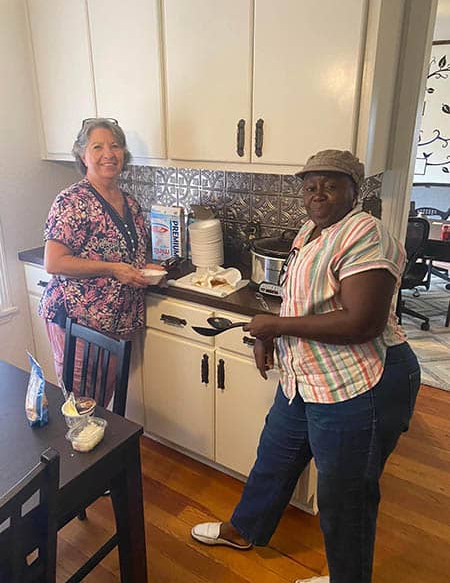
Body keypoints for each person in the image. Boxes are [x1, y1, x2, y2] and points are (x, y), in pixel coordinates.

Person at [191, 149, 420, 583]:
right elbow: (304, 300)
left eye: (331, 185)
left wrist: (274, 325)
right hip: (308, 375)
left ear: (354, 190)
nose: (318, 194)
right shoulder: (310, 231)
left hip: (362, 382)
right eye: (310, 186)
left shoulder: (365, 234)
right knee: (274, 458)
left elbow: (362, 321)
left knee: (345, 496)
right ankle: (245, 530)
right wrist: (272, 335)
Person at [39, 117, 164, 403]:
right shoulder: (71, 201)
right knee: (81, 404)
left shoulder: (130, 203)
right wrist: (112, 269)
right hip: (78, 321)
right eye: (98, 146)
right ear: (83, 155)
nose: (109, 154)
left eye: (116, 146)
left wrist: (147, 269)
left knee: (103, 404)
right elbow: (54, 262)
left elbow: (130, 254)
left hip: (118, 323)